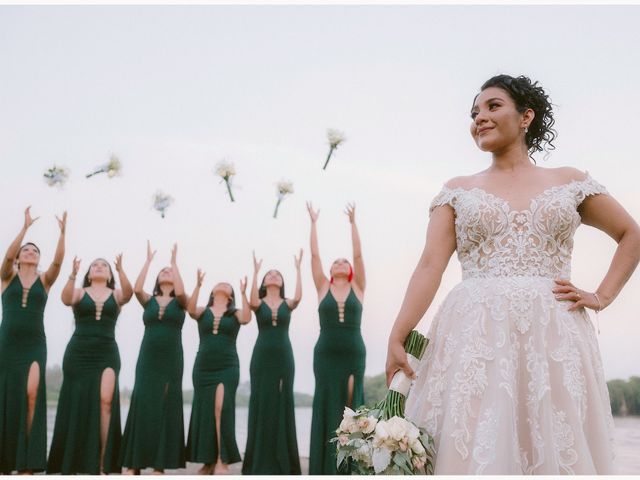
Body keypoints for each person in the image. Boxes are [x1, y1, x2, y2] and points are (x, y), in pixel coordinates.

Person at [385, 74, 640, 474]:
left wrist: (602, 296)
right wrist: (399, 332)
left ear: (526, 116)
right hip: (475, 335)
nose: (479, 117)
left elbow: (631, 234)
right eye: (474, 112)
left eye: (492, 106)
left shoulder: (569, 182)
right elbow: (430, 266)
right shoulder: (458, 190)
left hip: (554, 334)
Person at [47, 255, 133, 474]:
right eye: (95, 265)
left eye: (104, 265)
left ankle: (103, 462)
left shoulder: (116, 294)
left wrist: (121, 270)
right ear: (88, 273)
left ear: (110, 274)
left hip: (107, 352)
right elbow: (66, 299)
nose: (99, 267)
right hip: (78, 353)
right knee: (76, 404)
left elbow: (129, 294)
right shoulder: (80, 292)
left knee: (106, 402)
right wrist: (72, 275)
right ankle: (72, 462)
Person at [0, 207, 66, 474]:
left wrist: (63, 233)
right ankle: (5, 463)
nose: (30, 252)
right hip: (7, 344)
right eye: (26, 250)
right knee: (6, 397)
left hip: (35, 344)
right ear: (19, 257)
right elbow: (6, 256)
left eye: (35, 251)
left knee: (31, 395)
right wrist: (24, 228)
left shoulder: (44, 281)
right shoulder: (6, 277)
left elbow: (59, 264)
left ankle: (28, 463)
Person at [307, 202, 367, 475]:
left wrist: (353, 223)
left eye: (343, 261)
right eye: (336, 262)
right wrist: (314, 223)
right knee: (327, 403)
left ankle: (351, 467)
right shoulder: (323, 287)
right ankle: (323, 468)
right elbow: (315, 256)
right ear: (331, 270)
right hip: (325, 355)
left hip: (353, 353)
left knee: (351, 406)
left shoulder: (358, 286)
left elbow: (357, 254)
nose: (340, 263)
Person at [120, 242, 187, 474]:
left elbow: (181, 291)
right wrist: (148, 261)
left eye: (169, 271)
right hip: (148, 358)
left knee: (166, 406)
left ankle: (160, 465)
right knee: (143, 404)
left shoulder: (181, 302)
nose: (166, 272)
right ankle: (134, 463)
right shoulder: (148, 300)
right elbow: (137, 289)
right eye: (163, 271)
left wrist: (175, 263)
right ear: (157, 279)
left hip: (171, 359)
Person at [242, 250, 303, 475]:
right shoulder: (258, 302)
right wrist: (256, 271)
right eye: (270, 274)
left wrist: (297, 269)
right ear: (265, 282)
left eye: (278, 274)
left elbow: (298, 296)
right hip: (261, 359)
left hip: (284, 358)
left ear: (282, 282)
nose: (274, 276)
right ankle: (259, 460)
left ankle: (283, 462)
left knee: (281, 401)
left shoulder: (288, 302)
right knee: (261, 401)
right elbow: (251, 301)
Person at [186, 270, 251, 475]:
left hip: (228, 366)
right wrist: (197, 285)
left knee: (221, 408)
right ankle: (208, 461)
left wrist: (243, 292)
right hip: (203, 366)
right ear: (212, 291)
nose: (222, 283)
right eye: (219, 282)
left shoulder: (235, 312)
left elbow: (248, 317)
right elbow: (189, 310)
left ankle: (222, 459)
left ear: (230, 294)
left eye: (226, 283)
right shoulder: (202, 311)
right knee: (206, 412)